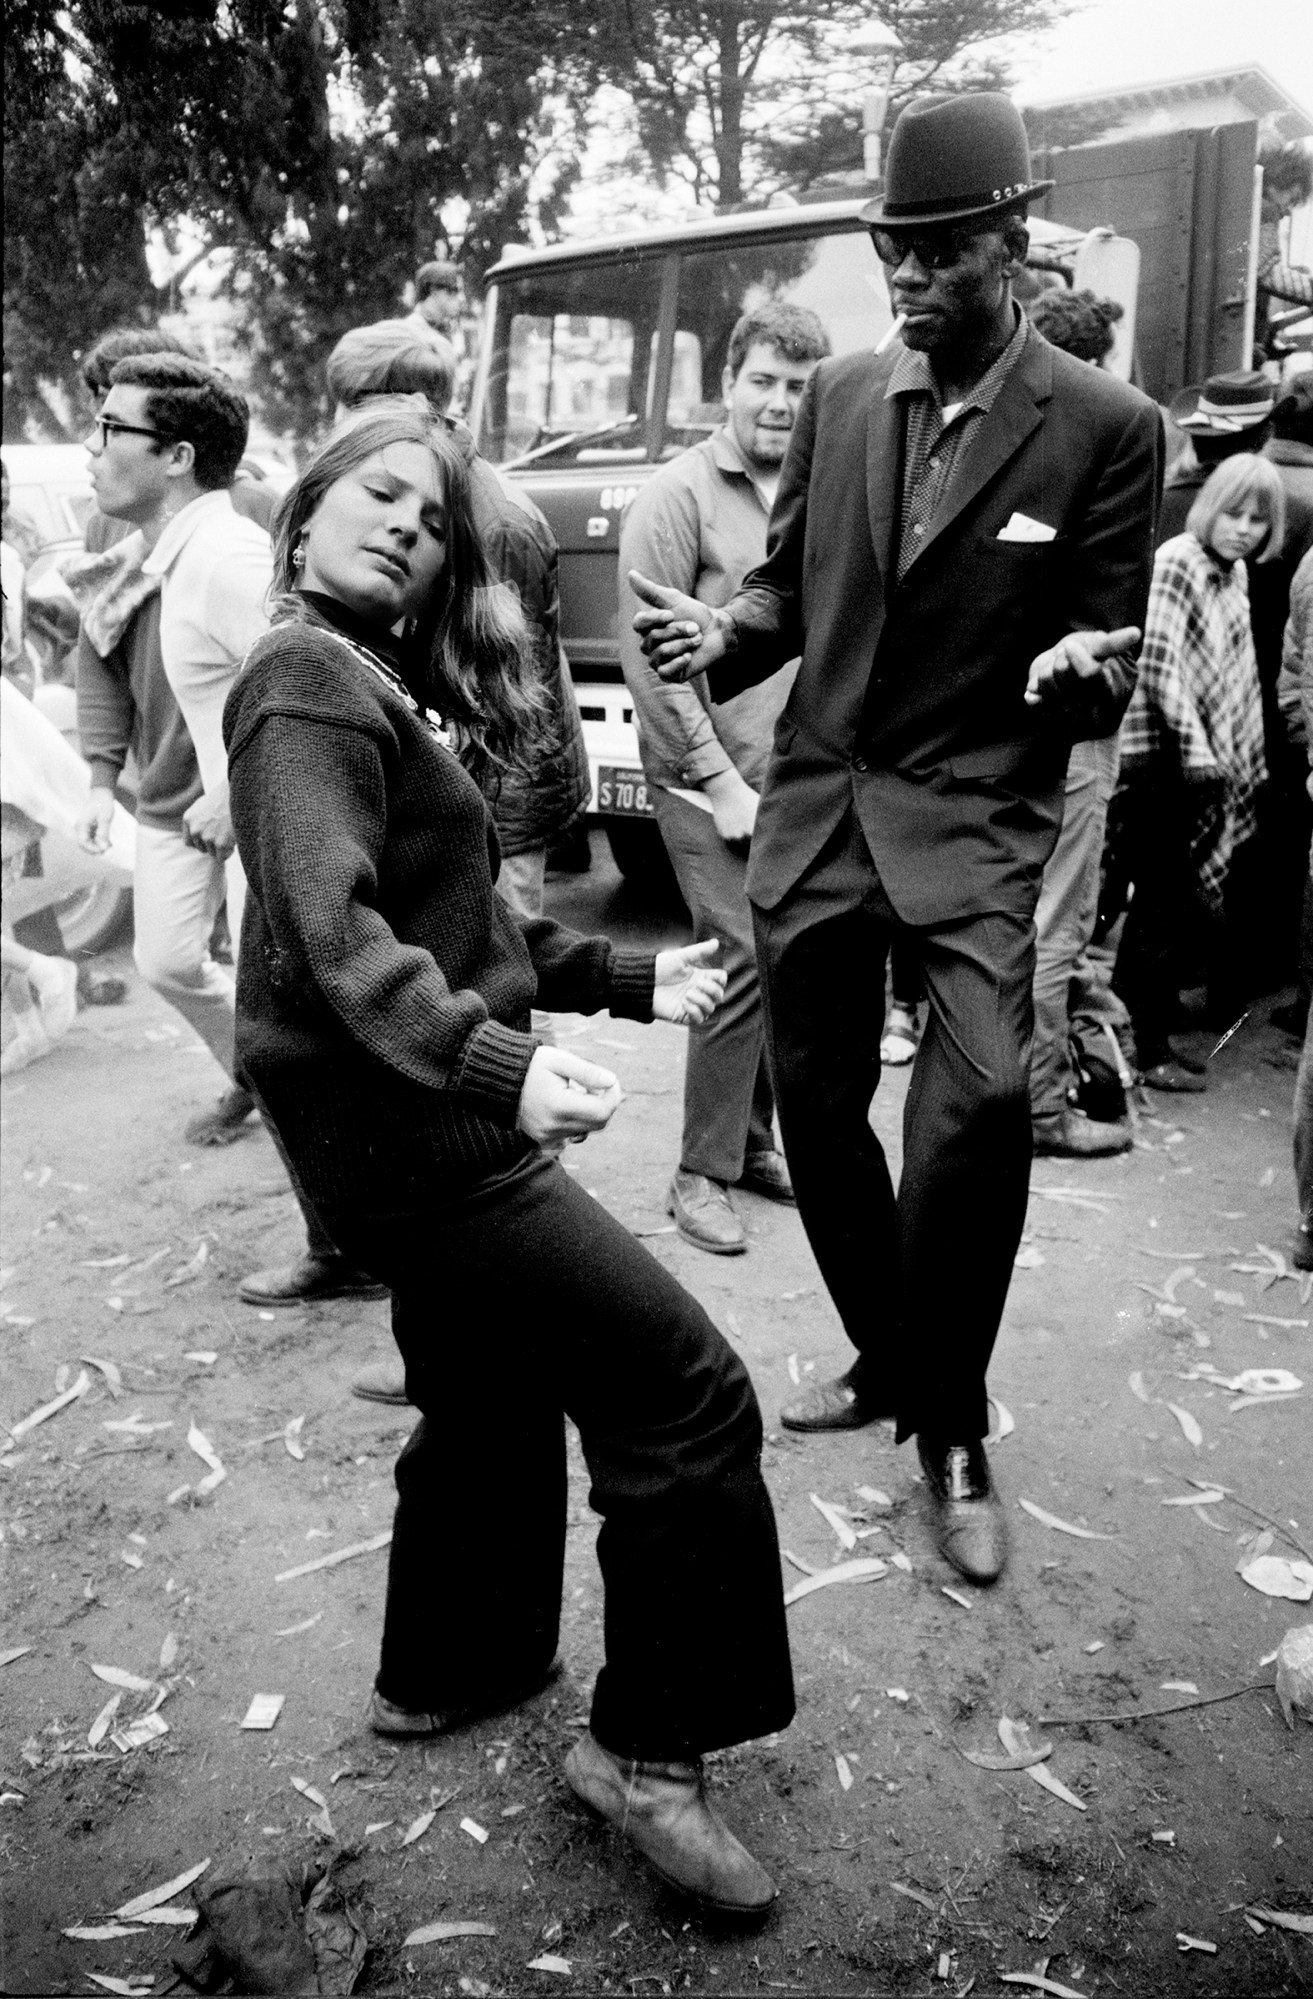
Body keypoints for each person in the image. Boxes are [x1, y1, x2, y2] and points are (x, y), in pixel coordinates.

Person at [222, 408, 794, 1914]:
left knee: (482, 1383)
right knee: (681, 1388)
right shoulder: (303, 683)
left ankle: (450, 1666)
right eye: (379, 493)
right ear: (306, 511)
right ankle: (647, 1751)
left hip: (386, 1128)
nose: (410, 522)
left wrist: (618, 981)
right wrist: (505, 1064)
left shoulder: (360, 676)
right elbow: (336, 937)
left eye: (433, 511)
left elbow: (454, 914)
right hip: (417, 1137)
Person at [630, 91, 1162, 1585]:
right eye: (891, 249)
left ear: (1011, 246)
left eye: (937, 250)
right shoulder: (850, 395)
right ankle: (893, 1358)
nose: (908, 275)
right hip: (819, 805)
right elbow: (787, 599)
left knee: (982, 1100)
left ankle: (954, 1423)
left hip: (976, 814)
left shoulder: (1109, 426)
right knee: (811, 1100)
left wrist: (1088, 668)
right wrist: (708, 637)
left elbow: (1108, 633)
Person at [326, 319, 589, 1400]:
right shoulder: (417, 500)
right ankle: (466, 1307)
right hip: (450, 801)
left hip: (497, 804)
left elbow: (493, 697)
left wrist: (460, 834)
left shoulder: (494, 522)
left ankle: (507, 1298)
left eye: (364, 412)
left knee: (493, 1038)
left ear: (423, 409)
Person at [77, 353, 376, 1306]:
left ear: (175, 455)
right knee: (288, 1046)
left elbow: (329, 672)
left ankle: (362, 1254)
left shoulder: (223, 557)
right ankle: (345, 1247)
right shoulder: (172, 554)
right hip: (257, 834)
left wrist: (232, 790)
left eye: (111, 430)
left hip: (281, 838)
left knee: (314, 1051)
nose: (93, 448)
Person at [617, 303, 830, 1252]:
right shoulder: (677, 494)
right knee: (737, 953)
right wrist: (720, 781)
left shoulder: (817, 489)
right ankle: (698, 1172)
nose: (780, 403)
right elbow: (647, 661)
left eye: (797, 386)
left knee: (785, 963)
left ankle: (750, 1143)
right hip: (705, 780)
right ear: (728, 384)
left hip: (796, 778)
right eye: (763, 382)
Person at [1114, 454, 1286, 1093]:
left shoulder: (1233, 572)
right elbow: (1161, 667)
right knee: (1158, 903)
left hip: (1207, 763)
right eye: (1234, 513)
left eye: (1257, 521)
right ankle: (1145, 1047)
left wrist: (1244, 758)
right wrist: (1199, 752)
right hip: (1165, 761)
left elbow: (1239, 676)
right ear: (1209, 505)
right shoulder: (1179, 560)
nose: (1243, 529)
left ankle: (1147, 1033)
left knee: (1175, 903)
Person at [1024, 289, 1135, 1157]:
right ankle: (1038, 1109)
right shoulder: (1105, 442)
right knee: (1055, 926)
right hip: (1071, 731)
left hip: (1017, 731)